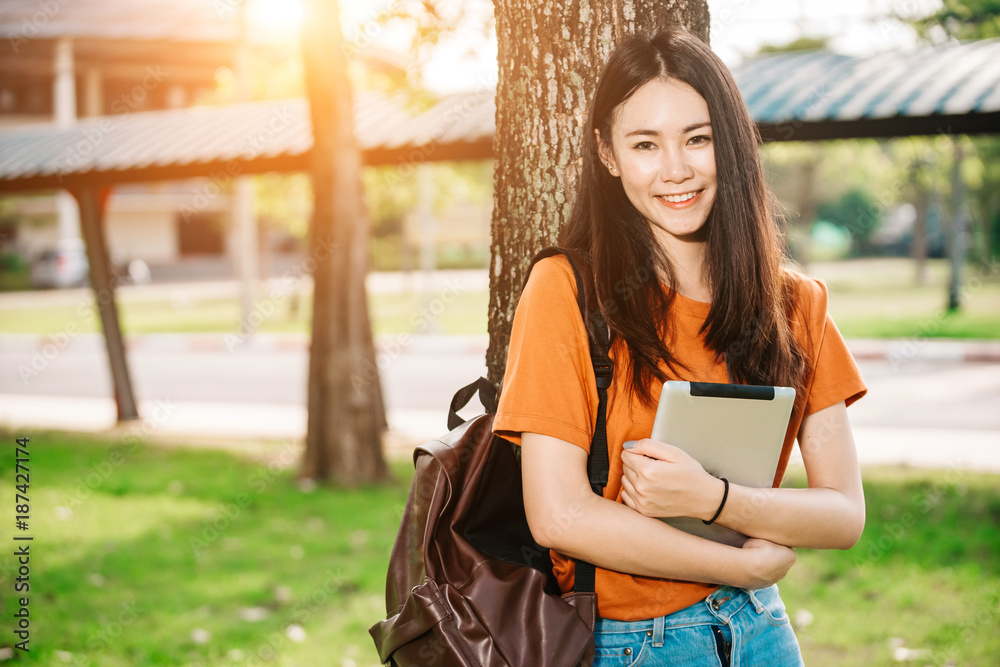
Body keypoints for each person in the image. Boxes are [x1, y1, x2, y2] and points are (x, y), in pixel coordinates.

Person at [492, 28, 868, 666]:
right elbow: (558, 515)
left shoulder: (794, 304)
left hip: (761, 633)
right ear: (607, 155)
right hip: (631, 642)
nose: (676, 170)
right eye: (645, 144)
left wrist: (716, 501)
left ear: (732, 144)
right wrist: (736, 565)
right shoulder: (567, 291)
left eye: (698, 138)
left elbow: (843, 513)